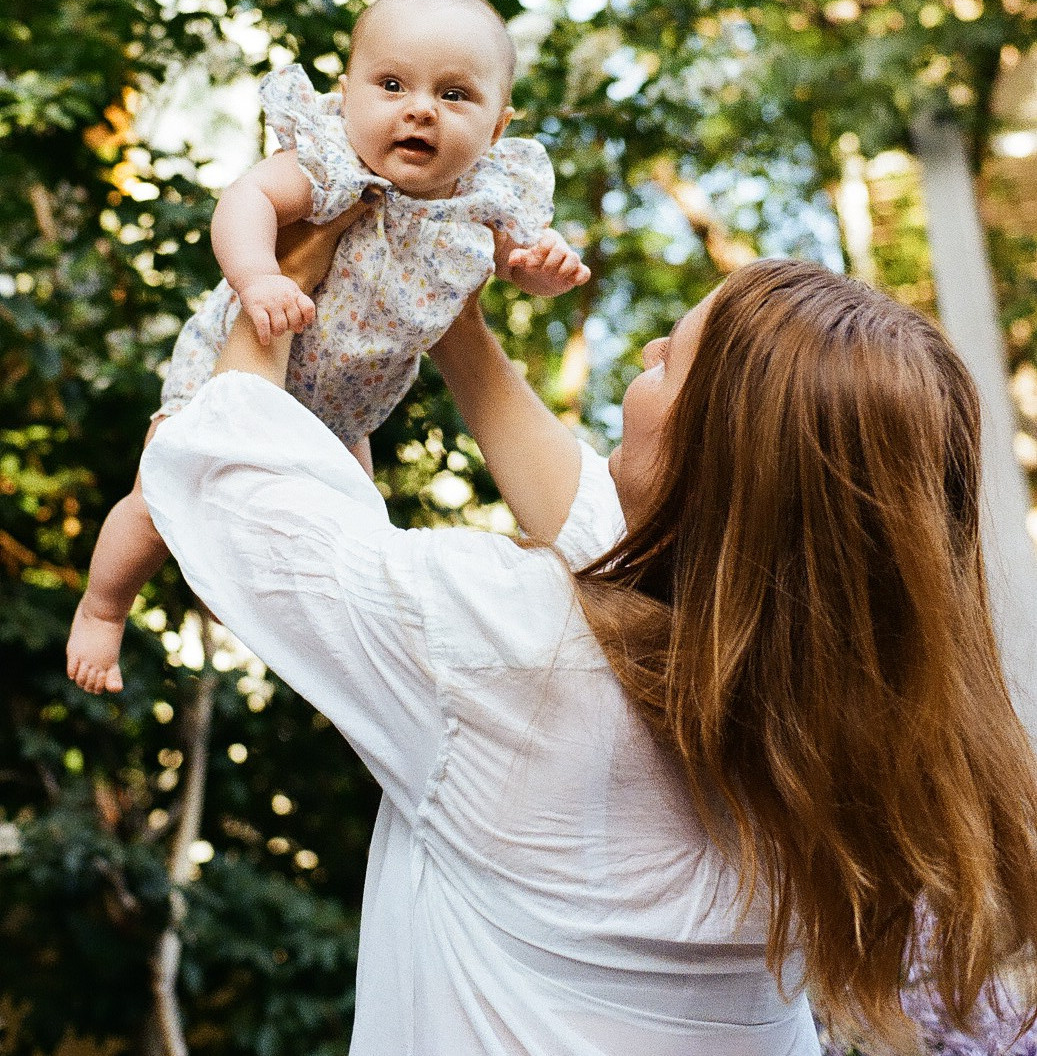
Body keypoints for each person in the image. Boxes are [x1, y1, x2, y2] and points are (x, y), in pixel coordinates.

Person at [139, 222, 1037, 1056]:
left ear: (707, 451)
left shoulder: (515, 651)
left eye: (668, 357)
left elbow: (236, 494)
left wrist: (288, 265)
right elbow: (614, 521)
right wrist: (453, 317)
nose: (644, 355)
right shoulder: (851, 717)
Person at [67, 0, 589, 695]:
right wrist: (258, 277)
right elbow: (247, 199)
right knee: (163, 490)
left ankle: (261, 623)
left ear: (497, 127)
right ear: (345, 97)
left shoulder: (488, 194)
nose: (420, 109)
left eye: (455, 95)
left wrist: (542, 271)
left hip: (346, 413)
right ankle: (103, 608)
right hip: (239, 354)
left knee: (351, 538)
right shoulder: (331, 159)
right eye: (392, 85)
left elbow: (517, 264)